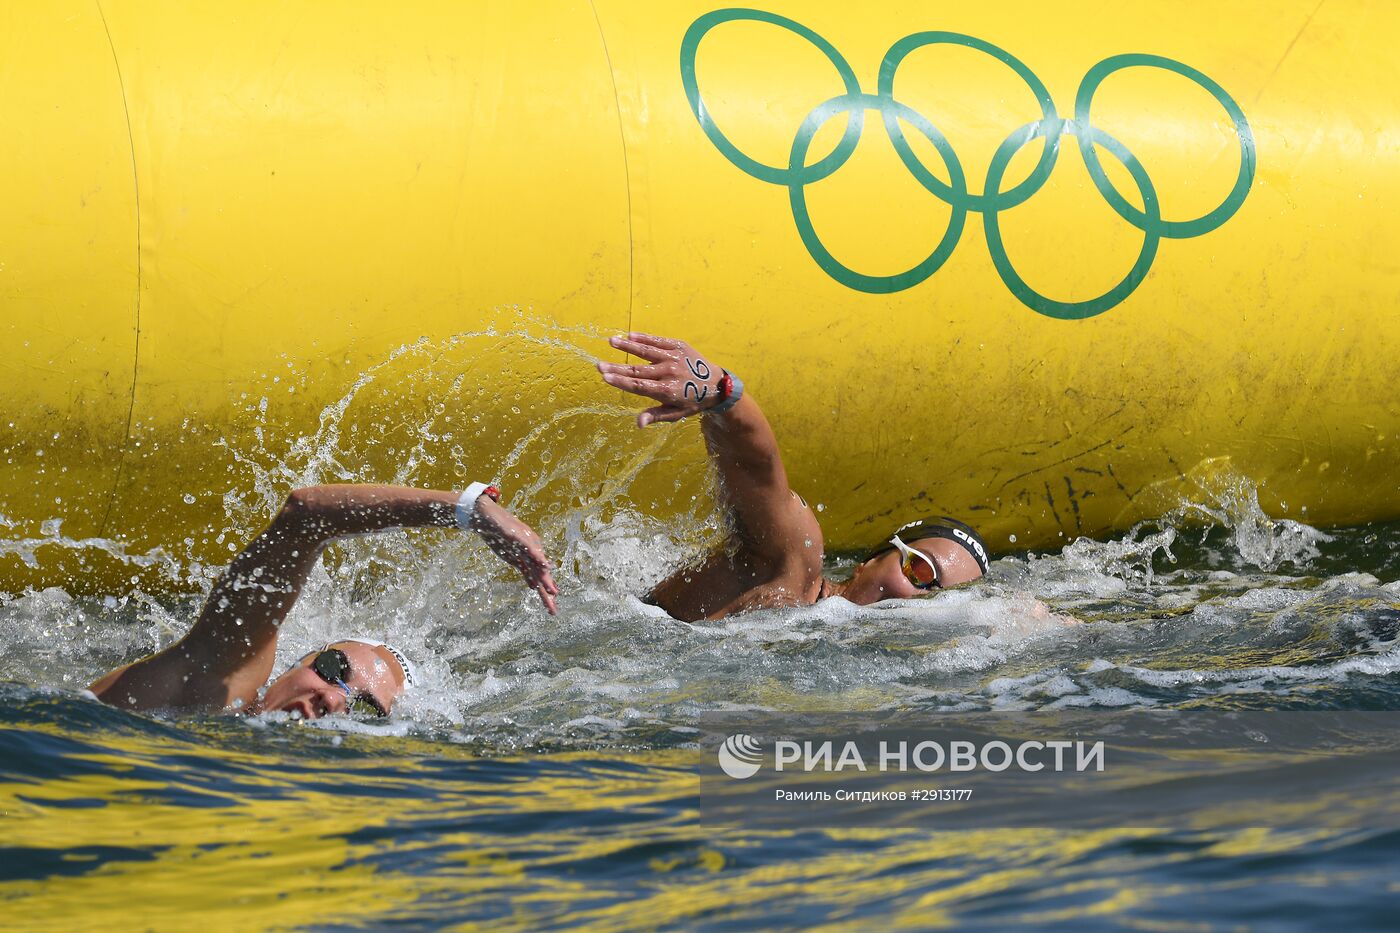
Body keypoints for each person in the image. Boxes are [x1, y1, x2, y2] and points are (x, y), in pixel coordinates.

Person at [597, 333, 991, 622]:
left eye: (940, 602)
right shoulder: (793, 564)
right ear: (870, 561)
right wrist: (722, 393)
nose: (918, 601)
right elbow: (756, 469)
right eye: (920, 572)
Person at [88, 483, 557, 719]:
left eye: (367, 708)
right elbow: (306, 515)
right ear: (297, 661)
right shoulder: (211, 687)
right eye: (333, 670)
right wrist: (468, 509)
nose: (333, 699)